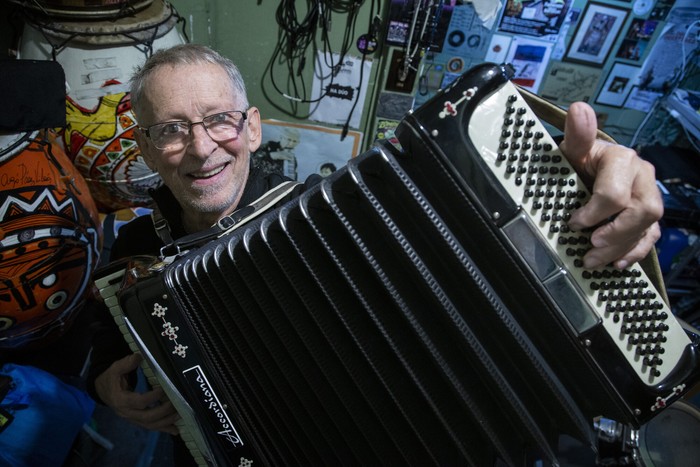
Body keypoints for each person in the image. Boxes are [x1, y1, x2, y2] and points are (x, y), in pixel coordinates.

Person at [87, 43, 663, 465]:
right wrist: (106, 390)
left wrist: (580, 215)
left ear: (253, 129)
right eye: (170, 129)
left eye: (219, 120)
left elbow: (498, 279)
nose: (201, 146)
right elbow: (110, 353)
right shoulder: (137, 251)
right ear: (145, 146)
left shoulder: (345, 220)